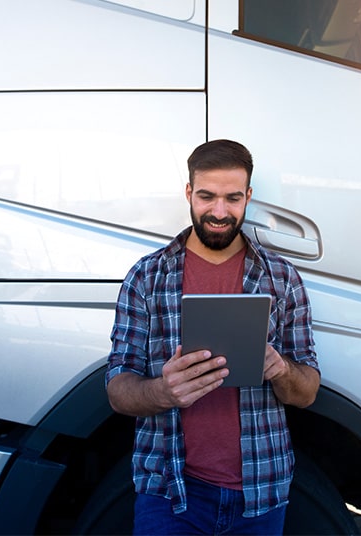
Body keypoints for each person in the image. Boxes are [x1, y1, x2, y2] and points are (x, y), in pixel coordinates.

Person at [105, 139, 320, 535]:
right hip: (168, 492)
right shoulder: (147, 277)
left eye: (232, 198)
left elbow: (306, 393)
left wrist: (280, 369)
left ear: (248, 197)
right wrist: (163, 392)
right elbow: (118, 390)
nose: (219, 212)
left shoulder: (282, 278)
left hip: (261, 492)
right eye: (206, 196)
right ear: (188, 193)